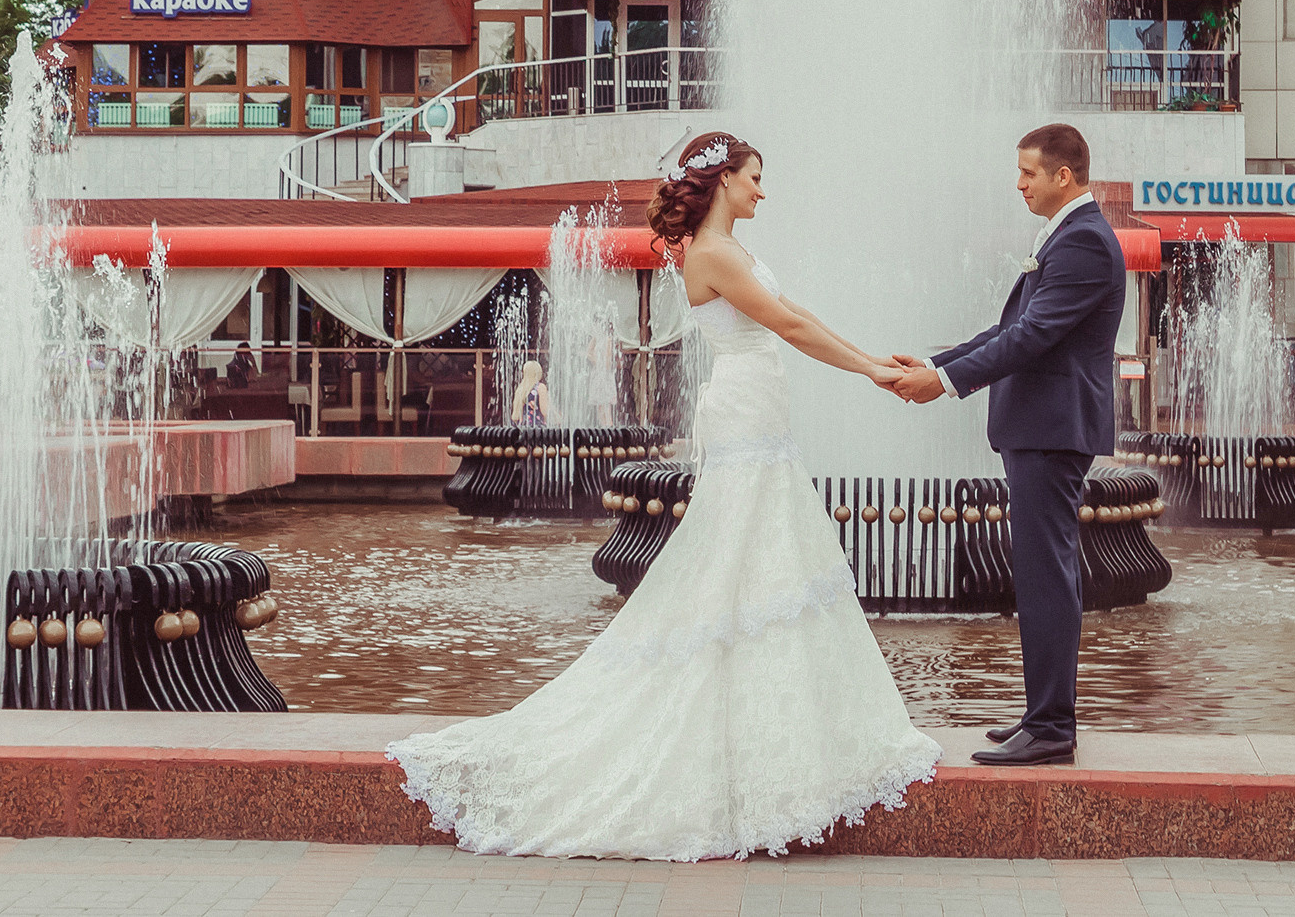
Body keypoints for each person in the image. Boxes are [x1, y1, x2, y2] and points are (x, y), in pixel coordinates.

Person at [390, 131, 937, 859]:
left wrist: (872, 358)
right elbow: (787, 324)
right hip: (745, 405)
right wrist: (870, 373)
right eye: (754, 177)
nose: (763, 190)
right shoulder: (712, 253)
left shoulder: (725, 249)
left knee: (759, 551)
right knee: (739, 548)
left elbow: (795, 310)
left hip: (756, 403)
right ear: (723, 180)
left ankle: (760, 720)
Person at [888, 122, 1123, 768]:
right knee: (1042, 574)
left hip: (1051, 431)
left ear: (1063, 176)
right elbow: (1010, 328)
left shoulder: (1084, 242)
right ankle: (1042, 713)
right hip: (1042, 430)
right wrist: (935, 363)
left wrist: (943, 384)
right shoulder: (1070, 236)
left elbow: (1032, 336)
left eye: (1027, 172)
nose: (1018, 184)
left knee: (1047, 576)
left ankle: (1051, 726)